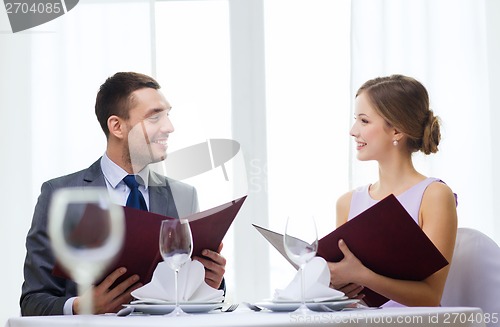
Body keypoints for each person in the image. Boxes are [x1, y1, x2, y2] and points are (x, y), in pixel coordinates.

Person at [20, 72, 227, 316]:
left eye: (167, 115)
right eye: (154, 117)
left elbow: (194, 301)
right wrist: (81, 307)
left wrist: (211, 285)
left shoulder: (184, 195)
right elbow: (32, 303)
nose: (169, 127)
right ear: (117, 126)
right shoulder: (60, 195)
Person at [328, 74, 457, 307]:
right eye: (355, 119)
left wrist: (361, 276)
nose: (353, 130)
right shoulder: (346, 203)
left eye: (364, 121)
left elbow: (431, 296)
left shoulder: (434, 196)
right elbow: (344, 294)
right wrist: (332, 282)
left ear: (397, 131)